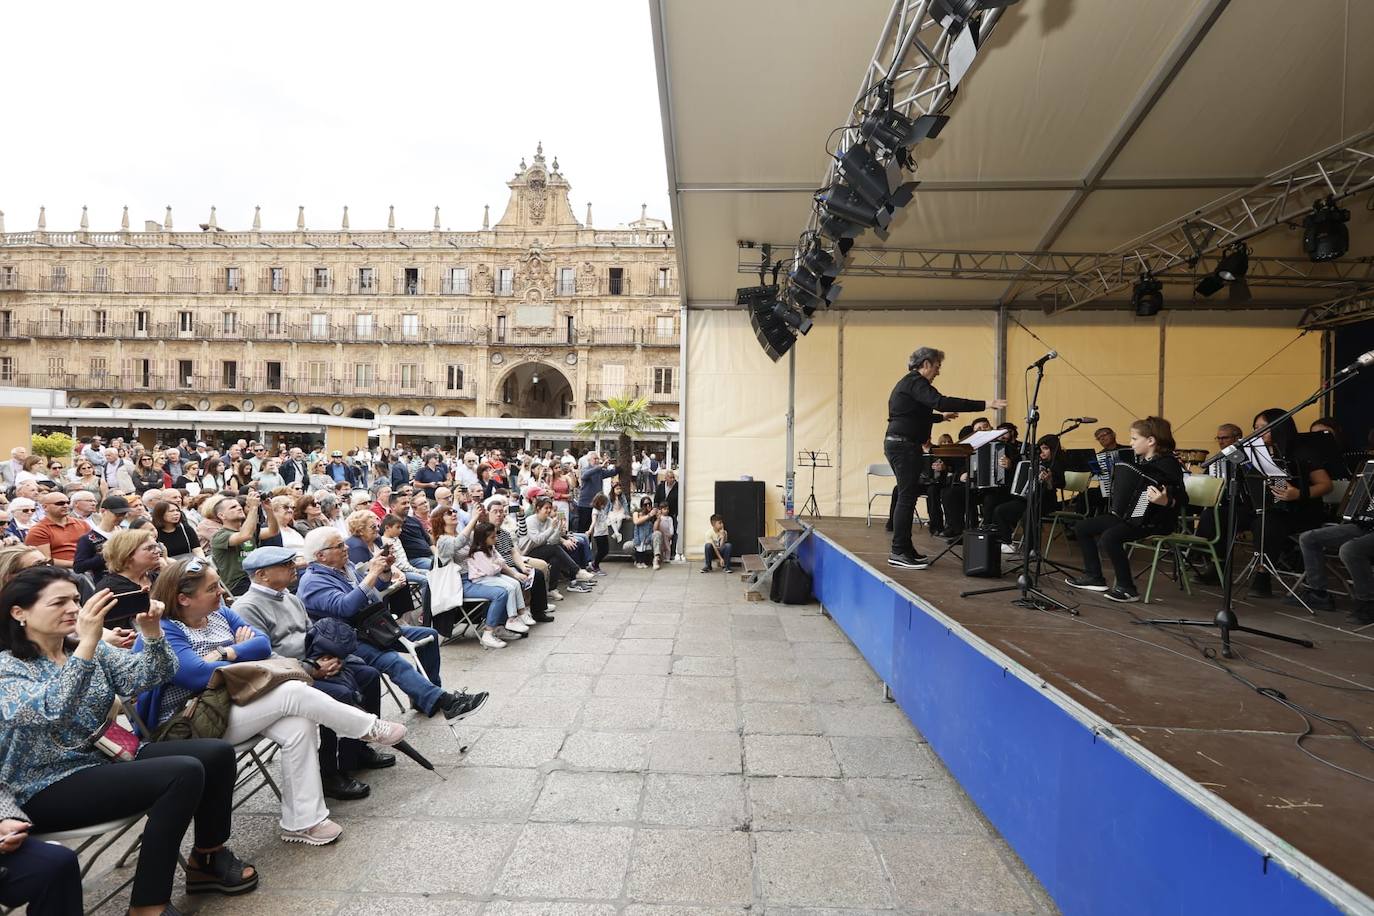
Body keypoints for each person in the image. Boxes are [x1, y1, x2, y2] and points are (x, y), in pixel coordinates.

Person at [1, 567, 259, 912]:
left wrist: (151, 634)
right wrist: (88, 643)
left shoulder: (85, 650)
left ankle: (207, 859)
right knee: (181, 773)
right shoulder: (9, 668)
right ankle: (149, 904)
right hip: (43, 784)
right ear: (19, 613)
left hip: (105, 758)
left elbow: (150, 676)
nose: (73, 609)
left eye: (75, 600)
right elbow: (53, 710)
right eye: (58, 602)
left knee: (216, 754)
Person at [137, 558, 408, 846]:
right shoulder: (163, 630)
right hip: (188, 724)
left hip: (233, 701)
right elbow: (198, 676)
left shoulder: (218, 613)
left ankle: (303, 822)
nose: (222, 592)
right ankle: (366, 728)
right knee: (292, 691)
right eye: (212, 588)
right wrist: (239, 650)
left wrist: (226, 652)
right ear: (184, 599)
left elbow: (261, 644)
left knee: (298, 723)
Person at [232, 547, 394, 801]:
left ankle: (357, 750)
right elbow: (263, 657)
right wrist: (311, 668)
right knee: (337, 695)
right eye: (285, 565)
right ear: (262, 575)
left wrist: (327, 657)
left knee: (368, 675)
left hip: (313, 660)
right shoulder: (246, 607)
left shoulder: (289, 596)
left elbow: (311, 633)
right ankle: (330, 772)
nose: (294, 567)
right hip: (286, 677)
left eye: (291, 562)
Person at [296, 527, 488, 721]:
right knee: (391, 659)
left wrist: (385, 570)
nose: (346, 547)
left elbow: (375, 588)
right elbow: (346, 607)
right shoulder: (313, 581)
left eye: (343, 543)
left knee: (429, 635)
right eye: (339, 546)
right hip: (347, 640)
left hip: (371, 628)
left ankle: (425, 698)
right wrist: (373, 573)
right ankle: (445, 702)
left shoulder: (346, 566)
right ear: (321, 555)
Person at [884, 346, 1003, 569]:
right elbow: (940, 401)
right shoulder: (916, 382)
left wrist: (940, 418)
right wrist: (985, 404)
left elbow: (912, 413)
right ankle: (898, 550)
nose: (938, 371)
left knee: (907, 497)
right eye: (937, 366)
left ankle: (905, 548)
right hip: (903, 447)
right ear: (926, 364)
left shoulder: (909, 384)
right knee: (907, 498)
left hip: (902, 445)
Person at [1067, 417, 1186, 602]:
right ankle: (1094, 577)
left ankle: (1127, 588)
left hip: (1156, 522)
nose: (1130, 443)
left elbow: (1183, 499)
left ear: (1151, 440)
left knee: (1110, 537)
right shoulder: (1143, 461)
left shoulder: (1168, 464)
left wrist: (1166, 501)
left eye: (1134, 439)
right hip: (1133, 516)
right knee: (1082, 527)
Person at [1246, 408, 1334, 598]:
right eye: (1255, 428)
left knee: (1266, 523)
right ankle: (1215, 566)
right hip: (1267, 507)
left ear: (1279, 427)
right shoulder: (1257, 453)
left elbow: (1326, 485)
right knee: (1223, 513)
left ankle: (1263, 574)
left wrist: (1298, 494)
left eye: (1263, 428)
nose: (1257, 432)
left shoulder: (1301, 452)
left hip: (1301, 510)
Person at [431, 504, 520, 648]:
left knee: (511, 585)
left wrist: (482, 518)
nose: (454, 514)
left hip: (476, 577)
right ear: (439, 519)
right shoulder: (443, 541)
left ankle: (500, 626)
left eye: (454, 511)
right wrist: (473, 519)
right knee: (500, 593)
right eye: (449, 513)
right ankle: (488, 633)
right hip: (460, 583)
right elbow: (457, 543)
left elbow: (482, 536)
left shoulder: (462, 534)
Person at [1290, 479, 1374, 625]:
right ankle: (1318, 594)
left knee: (1350, 550)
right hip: (1365, 525)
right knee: (1309, 538)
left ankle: (1368, 602)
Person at [991, 435, 1065, 551]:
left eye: (1045, 448)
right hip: (1027, 500)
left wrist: (1049, 481)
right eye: (1040, 449)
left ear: (1053, 449)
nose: (1042, 452)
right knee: (1000, 510)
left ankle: (1032, 549)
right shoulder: (1035, 462)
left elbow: (1061, 484)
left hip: (1046, 501)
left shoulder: (1057, 465)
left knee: (1028, 516)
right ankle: (1006, 542)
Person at [467, 521, 536, 645]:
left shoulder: (491, 548)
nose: (496, 539)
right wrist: (497, 564)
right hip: (482, 578)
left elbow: (501, 560)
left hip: (492, 575)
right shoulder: (478, 552)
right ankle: (511, 618)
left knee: (515, 583)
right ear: (483, 539)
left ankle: (521, 612)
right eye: (492, 537)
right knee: (509, 588)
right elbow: (490, 570)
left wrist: (496, 564)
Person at [211, 491, 277, 596]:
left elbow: (273, 531)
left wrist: (269, 510)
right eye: (233, 507)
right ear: (221, 515)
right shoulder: (220, 536)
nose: (239, 508)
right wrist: (253, 508)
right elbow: (245, 536)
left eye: (239, 506)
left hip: (256, 577)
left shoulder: (248, 530)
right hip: (238, 583)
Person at [93, 527, 164, 624]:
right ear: (128, 554)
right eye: (150, 548)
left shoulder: (158, 578)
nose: (158, 550)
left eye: (156, 546)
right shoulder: (110, 589)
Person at [71, 495, 127, 582]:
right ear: (103, 511)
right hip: (105, 580)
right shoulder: (88, 538)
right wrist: (104, 555)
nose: (121, 518)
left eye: (124, 514)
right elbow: (79, 567)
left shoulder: (126, 533)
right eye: (117, 514)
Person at [25, 491, 87, 568]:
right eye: (60, 503)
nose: (66, 506)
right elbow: (45, 560)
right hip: (61, 571)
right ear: (45, 507)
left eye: (68, 502)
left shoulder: (83, 524)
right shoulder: (38, 530)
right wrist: (80, 565)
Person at [573, 453, 616, 533]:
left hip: (596, 505)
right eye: (594, 459)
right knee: (583, 528)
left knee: (595, 528)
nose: (597, 461)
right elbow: (584, 475)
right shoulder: (585, 469)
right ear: (589, 460)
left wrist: (618, 466)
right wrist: (600, 467)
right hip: (585, 504)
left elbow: (611, 472)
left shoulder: (600, 471)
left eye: (597, 459)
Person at [653, 470, 681, 557]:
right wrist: (657, 510)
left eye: (673, 477)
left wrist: (676, 513)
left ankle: (672, 553)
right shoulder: (661, 486)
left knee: (673, 532)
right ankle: (660, 552)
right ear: (666, 478)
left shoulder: (678, 487)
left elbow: (679, 501)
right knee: (660, 532)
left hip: (672, 513)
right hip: (661, 513)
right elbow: (656, 499)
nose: (672, 479)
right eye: (670, 477)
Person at [589, 492, 612, 572]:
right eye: (603, 504)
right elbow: (594, 521)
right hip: (598, 534)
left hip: (604, 532)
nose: (604, 505)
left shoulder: (601, 510)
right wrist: (590, 530)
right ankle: (595, 565)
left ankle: (595, 564)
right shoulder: (595, 511)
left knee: (606, 550)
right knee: (601, 550)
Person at [632, 496, 655, 568]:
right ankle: (638, 562)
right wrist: (649, 515)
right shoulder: (637, 513)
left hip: (647, 537)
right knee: (639, 551)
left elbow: (652, 529)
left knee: (643, 551)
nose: (648, 506)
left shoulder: (653, 515)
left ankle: (643, 562)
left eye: (649, 504)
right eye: (645, 504)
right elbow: (636, 522)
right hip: (639, 538)